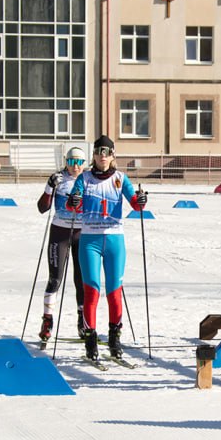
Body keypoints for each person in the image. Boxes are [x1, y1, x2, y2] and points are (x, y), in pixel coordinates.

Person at [66, 136, 147, 361]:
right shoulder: (85, 178)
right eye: (99, 151)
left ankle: (114, 339)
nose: (103, 156)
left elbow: (135, 204)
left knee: (114, 291)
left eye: (107, 151)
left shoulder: (121, 178)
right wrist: (73, 202)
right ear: (93, 155)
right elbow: (73, 202)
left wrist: (140, 200)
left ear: (113, 155)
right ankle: (91, 342)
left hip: (114, 240)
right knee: (92, 291)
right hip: (89, 239)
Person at [36, 145, 89, 346]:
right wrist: (49, 187)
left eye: (79, 162)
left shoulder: (88, 179)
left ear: (84, 164)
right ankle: (47, 321)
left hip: (82, 234)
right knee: (55, 279)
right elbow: (42, 208)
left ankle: (82, 320)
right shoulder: (59, 178)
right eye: (71, 161)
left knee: (82, 280)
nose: (75, 166)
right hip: (60, 233)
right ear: (66, 162)